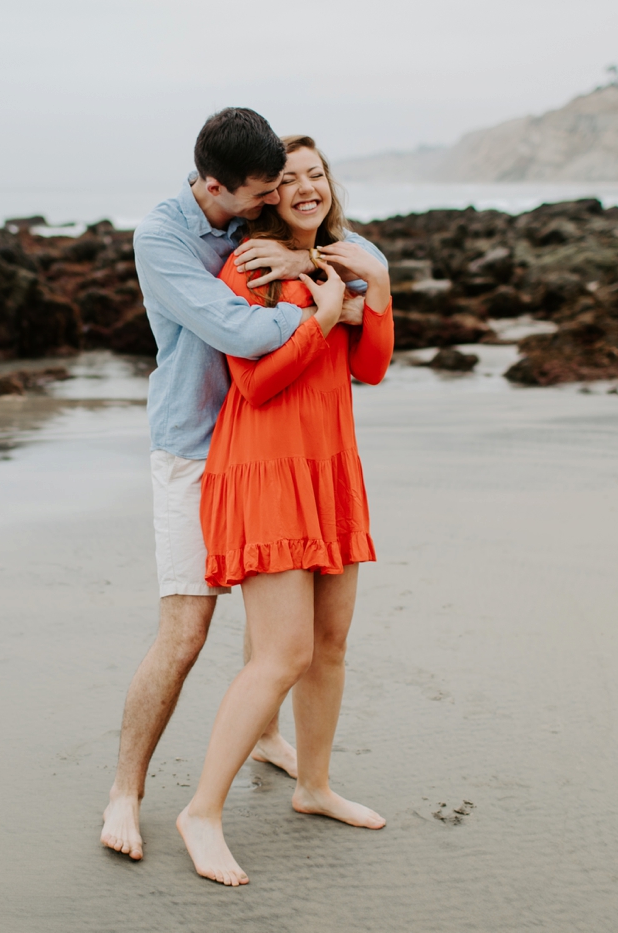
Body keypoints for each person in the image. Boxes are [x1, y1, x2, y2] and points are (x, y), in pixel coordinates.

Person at [101, 110, 387, 861]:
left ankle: (276, 746)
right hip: (198, 446)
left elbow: (369, 351)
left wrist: (346, 274)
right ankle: (127, 791)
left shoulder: (259, 228)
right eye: (267, 188)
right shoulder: (168, 238)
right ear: (218, 186)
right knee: (189, 631)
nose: (280, 197)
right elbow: (244, 338)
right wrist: (327, 304)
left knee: (301, 638)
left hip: (296, 454)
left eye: (297, 181)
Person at [175, 136, 394, 886]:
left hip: (328, 466)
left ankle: (314, 785)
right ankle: (201, 810)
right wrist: (326, 317)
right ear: (269, 194)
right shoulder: (252, 266)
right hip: (265, 468)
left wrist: (376, 292)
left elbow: (372, 367)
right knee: (280, 654)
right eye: (290, 178)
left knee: (329, 644)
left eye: (318, 174)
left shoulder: (342, 259)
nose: (306, 187)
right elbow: (255, 384)